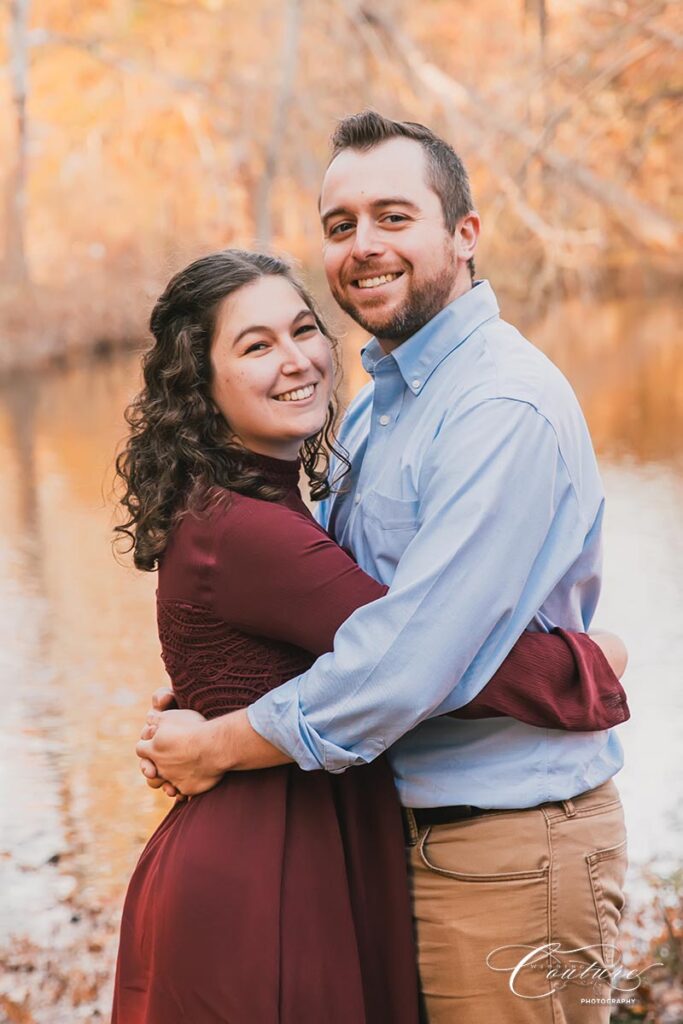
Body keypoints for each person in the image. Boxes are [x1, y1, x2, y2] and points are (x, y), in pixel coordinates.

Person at [135, 114, 629, 1024]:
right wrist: (585, 665)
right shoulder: (379, 410)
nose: (364, 246)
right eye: (340, 225)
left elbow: (407, 659)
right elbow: (358, 625)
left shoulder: (498, 407)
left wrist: (225, 736)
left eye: (394, 217)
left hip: (510, 853)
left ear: (465, 233)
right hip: (399, 842)